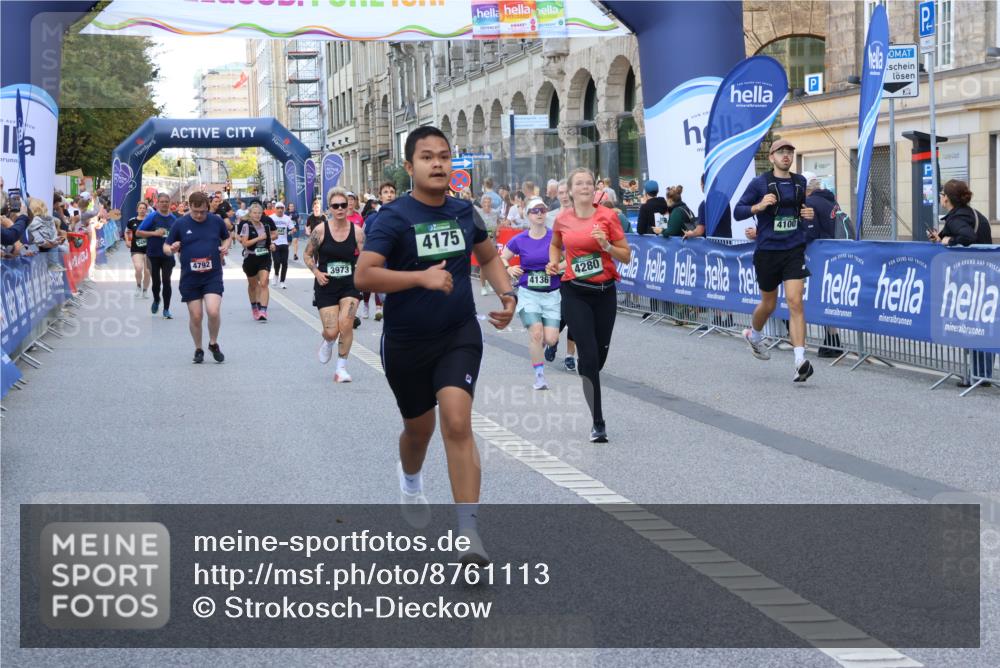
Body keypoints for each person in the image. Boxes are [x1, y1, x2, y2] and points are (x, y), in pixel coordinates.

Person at [354, 125, 516, 565]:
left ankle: (469, 535)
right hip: (406, 343)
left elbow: (488, 257)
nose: (438, 164)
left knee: (458, 423)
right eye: (427, 157)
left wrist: (507, 295)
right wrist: (420, 278)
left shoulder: (464, 212)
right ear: (410, 166)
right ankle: (410, 480)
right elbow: (365, 275)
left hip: (457, 334)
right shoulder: (392, 217)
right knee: (418, 431)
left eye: (444, 156)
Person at [547, 167, 631, 443]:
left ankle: (587, 368)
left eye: (588, 183)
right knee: (589, 358)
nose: (584, 187)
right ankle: (598, 422)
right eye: (579, 183)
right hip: (575, 292)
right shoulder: (562, 219)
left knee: (598, 360)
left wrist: (606, 246)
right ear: (570, 191)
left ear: (595, 188)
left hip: (604, 292)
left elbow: (626, 256)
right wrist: (554, 262)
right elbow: (555, 245)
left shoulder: (608, 216)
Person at [734, 138, 816, 382]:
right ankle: (753, 334)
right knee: (768, 304)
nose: (786, 155)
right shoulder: (760, 183)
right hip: (768, 251)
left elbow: (800, 210)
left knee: (795, 302)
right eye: (781, 152)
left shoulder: (800, 182)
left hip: (793, 249)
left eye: (789, 152)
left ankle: (800, 360)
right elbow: (738, 211)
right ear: (771, 157)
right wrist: (758, 206)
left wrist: (807, 213)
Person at [930, 179, 994, 388]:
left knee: (973, 325)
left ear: (947, 199)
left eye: (941, 194)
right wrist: (940, 237)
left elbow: (967, 236)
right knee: (984, 325)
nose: (940, 197)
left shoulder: (957, 218)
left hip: (970, 280)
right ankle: (982, 374)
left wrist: (949, 241)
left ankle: (977, 375)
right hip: (987, 277)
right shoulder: (975, 214)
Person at [304, 187, 363, 383]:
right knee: (332, 331)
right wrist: (316, 272)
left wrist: (362, 270)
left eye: (343, 205)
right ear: (329, 208)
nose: (340, 209)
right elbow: (307, 255)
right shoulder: (320, 231)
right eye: (335, 206)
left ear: (348, 206)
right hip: (326, 284)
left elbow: (366, 256)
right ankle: (328, 340)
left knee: (346, 323)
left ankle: (341, 369)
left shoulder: (357, 232)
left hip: (349, 284)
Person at [502, 197, 562, 390]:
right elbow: (502, 258)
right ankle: (539, 376)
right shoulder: (520, 239)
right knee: (536, 333)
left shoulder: (554, 237)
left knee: (550, 339)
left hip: (552, 294)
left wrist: (558, 267)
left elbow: (569, 259)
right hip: (529, 293)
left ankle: (540, 346)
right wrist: (509, 268)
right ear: (528, 215)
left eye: (542, 210)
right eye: (535, 211)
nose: (539, 214)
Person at [163, 192, 230, 363]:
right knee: (196, 316)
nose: (199, 215)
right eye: (195, 211)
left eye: (202, 211)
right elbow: (166, 247)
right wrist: (172, 249)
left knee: (213, 311)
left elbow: (227, 238)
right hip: (190, 277)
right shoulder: (180, 223)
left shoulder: (216, 221)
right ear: (189, 207)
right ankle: (198, 348)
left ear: (207, 207)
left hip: (212, 274)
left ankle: (213, 343)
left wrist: (224, 247)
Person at [804, 175, 843, 358]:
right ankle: (831, 340)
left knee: (823, 297)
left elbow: (810, 232)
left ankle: (833, 342)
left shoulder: (810, 202)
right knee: (829, 297)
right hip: (836, 252)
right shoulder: (831, 200)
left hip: (821, 256)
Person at [359, 181, 397, 320]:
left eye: (392, 192)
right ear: (380, 197)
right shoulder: (371, 219)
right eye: (386, 192)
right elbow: (363, 239)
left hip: (397, 266)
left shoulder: (403, 218)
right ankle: (367, 306)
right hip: (378, 265)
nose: (389, 195)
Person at [137, 193, 177, 319]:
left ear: (170, 203)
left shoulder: (174, 219)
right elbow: (138, 232)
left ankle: (166, 309)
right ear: (157, 203)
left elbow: (178, 236)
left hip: (168, 255)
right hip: (153, 254)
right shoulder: (152, 216)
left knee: (166, 281)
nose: (164, 204)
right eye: (162, 201)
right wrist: (154, 233)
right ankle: (156, 299)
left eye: (166, 201)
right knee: (156, 282)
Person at [238, 202, 277, 322]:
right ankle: (254, 307)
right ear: (250, 214)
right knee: (253, 285)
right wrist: (259, 238)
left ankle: (263, 311)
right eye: (255, 213)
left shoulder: (266, 226)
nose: (257, 215)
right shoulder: (246, 226)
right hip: (251, 257)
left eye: (259, 213)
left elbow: (270, 241)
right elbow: (245, 243)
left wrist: (272, 246)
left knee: (264, 282)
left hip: (264, 256)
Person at [692, 173, 733, 239]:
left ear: (703, 185)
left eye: (701, 184)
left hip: (712, 243)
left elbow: (700, 231)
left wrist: (690, 233)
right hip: (727, 242)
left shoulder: (704, 204)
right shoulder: (724, 198)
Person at [477, 194, 503, 297]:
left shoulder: (495, 213)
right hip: (482, 242)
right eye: (485, 202)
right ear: (482, 203)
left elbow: (499, 222)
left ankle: (490, 283)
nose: (487, 204)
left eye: (488, 202)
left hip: (493, 242)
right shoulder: (478, 213)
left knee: (492, 265)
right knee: (483, 266)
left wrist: (498, 230)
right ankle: (483, 287)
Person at [124, 201, 151, 296]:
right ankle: (138, 285)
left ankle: (145, 290)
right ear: (137, 210)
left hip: (149, 249)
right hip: (136, 248)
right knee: (138, 268)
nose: (142, 210)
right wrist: (127, 241)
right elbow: (127, 231)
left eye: (144, 208)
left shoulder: (150, 220)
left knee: (147, 271)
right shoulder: (132, 221)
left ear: (146, 210)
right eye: (140, 208)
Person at [269, 202, 294, 289]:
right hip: (274, 243)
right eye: (278, 208)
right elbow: (267, 229)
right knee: (276, 261)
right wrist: (270, 241)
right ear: (275, 209)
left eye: (281, 208)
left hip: (284, 243)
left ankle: (282, 281)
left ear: (284, 209)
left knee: (284, 263)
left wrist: (291, 231)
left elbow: (293, 228)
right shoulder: (271, 218)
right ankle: (276, 274)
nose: (280, 210)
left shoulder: (287, 218)